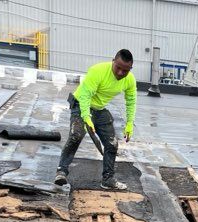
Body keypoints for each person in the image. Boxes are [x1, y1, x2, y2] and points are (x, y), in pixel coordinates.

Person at [55, 50, 137, 190]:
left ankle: (108, 179)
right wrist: (86, 117)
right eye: (118, 68)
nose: (121, 73)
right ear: (113, 61)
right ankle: (61, 172)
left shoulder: (129, 79)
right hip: (80, 105)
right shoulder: (97, 71)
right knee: (76, 135)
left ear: (130, 69)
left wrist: (129, 123)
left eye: (125, 70)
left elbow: (131, 100)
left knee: (112, 143)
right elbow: (85, 96)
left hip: (99, 109)